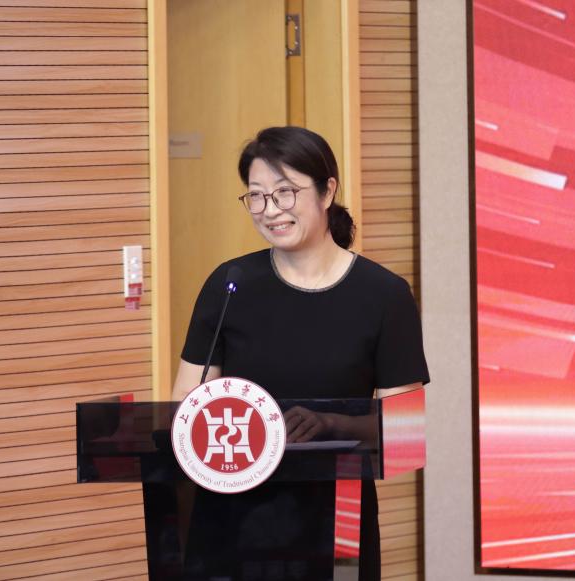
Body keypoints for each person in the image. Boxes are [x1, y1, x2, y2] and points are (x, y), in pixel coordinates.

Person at [172, 126, 429, 580]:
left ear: (327, 191)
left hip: (335, 524)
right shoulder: (229, 285)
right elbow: (185, 409)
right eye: (256, 196)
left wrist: (331, 423)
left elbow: (405, 432)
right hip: (230, 522)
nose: (270, 210)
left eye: (285, 192)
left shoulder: (384, 296)